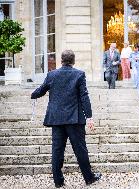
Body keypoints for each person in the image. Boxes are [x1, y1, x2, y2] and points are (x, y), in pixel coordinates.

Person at [31, 50, 101, 188]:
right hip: (74, 119)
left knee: (57, 150)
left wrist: (33, 94)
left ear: (61, 60)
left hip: (56, 119)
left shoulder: (52, 74)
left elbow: (41, 90)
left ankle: (58, 181)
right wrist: (90, 117)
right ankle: (89, 178)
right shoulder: (79, 74)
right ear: (73, 61)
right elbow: (84, 97)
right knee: (80, 150)